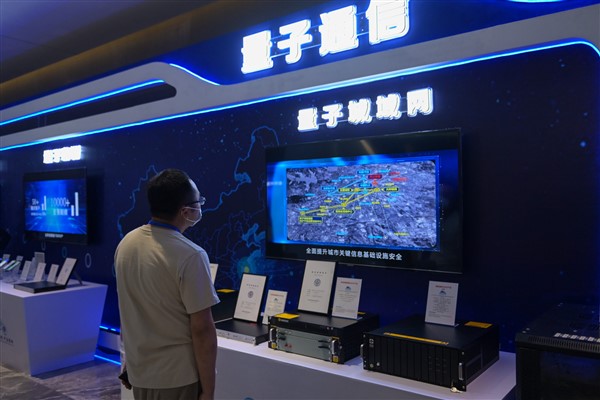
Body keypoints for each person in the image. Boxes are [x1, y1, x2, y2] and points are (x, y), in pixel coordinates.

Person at [115, 168, 220, 400]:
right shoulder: (191, 255)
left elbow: (128, 310)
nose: (200, 206)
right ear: (185, 211)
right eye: (198, 202)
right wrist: (209, 389)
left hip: (140, 373)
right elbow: (202, 329)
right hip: (177, 377)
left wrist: (129, 361)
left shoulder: (126, 244)